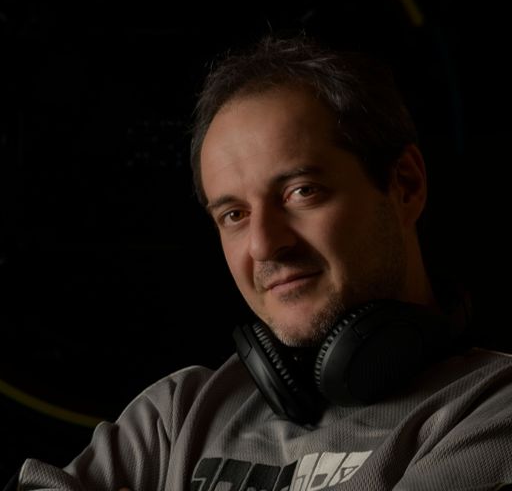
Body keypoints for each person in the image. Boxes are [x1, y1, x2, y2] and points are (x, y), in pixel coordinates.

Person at [11, 35, 512, 490]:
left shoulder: (493, 411)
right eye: (234, 214)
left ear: (405, 185)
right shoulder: (173, 416)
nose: (264, 245)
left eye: (301, 191)